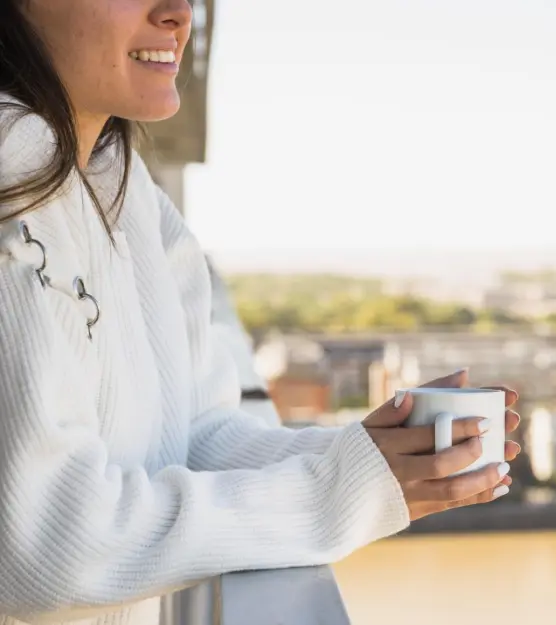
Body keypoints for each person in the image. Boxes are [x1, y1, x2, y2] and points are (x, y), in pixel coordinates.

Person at [0, 2, 522, 625]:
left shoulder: (123, 184)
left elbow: (198, 436)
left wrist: (370, 457)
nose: (177, 12)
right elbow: (43, 544)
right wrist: (335, 494)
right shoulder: (14, 170)